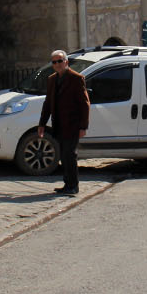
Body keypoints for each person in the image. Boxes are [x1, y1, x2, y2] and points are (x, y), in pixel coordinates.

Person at [38, 49, 90, 195]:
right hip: (58, 124)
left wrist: (83, 126)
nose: (57, 64)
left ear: (66, 62)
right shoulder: (52, 79)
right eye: (54, 62)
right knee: (63, 155)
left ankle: (74, 186)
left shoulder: (76, 78)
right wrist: (42, 124)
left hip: (72, 124)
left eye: (60, 61)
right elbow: (48, 103)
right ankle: (67, 184)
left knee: (70, 154)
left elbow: (84, 104)